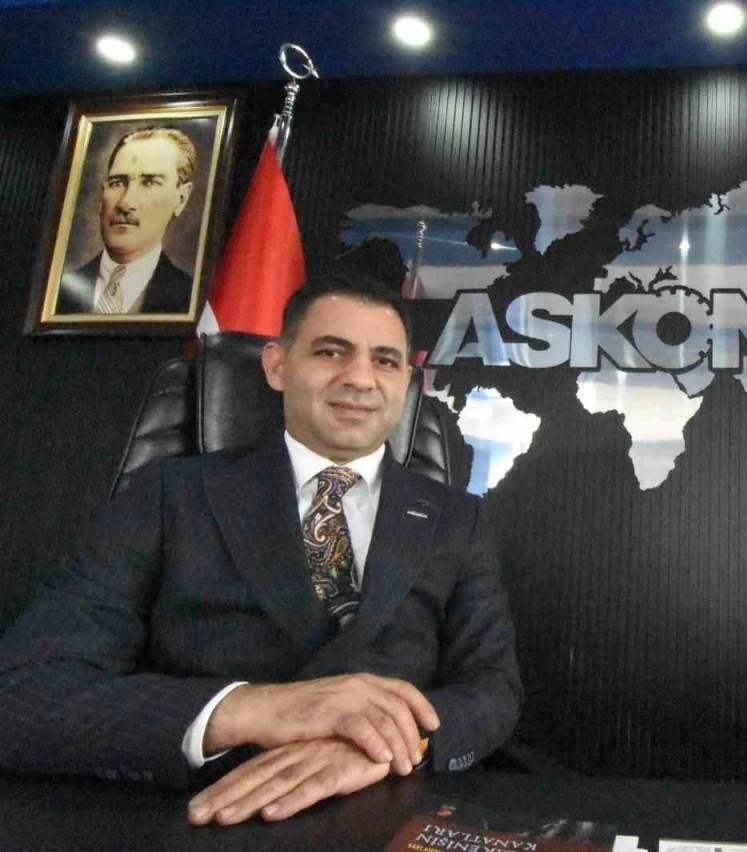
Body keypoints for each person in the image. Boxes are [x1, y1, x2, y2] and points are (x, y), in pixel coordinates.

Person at [0, 273, 521, 826]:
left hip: (386, 804)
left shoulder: (456, 518)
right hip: (202, 809)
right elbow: (25, 691)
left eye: (385, 361)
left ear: (406, 381)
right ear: (277, 365)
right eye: (331, 352)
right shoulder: (170, 494)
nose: (360, 378)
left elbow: (492, 688)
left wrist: (391, 742)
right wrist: (252, 709)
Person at [54, 126, 198, 315]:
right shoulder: (55, 296)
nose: (125, 202)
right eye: (117, 183)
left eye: (150, 182)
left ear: (181, 198)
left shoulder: (194, 300)